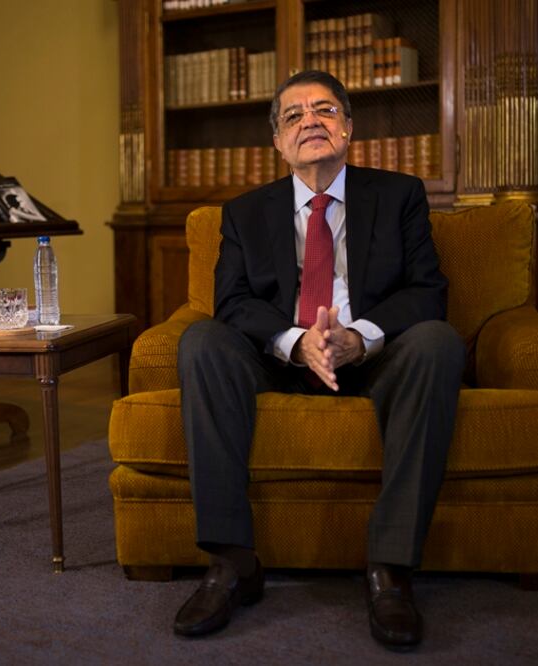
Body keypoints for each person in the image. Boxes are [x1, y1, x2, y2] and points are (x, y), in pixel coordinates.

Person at [172, 70, 466, 651]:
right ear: (278, 142)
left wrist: (358, 337)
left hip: (374, 358)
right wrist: (294, 340)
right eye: (294, 115)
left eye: (325, 110)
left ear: (348, 128)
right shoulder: (244, 213)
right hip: (278, 360)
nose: (310, 120)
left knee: (438, 341)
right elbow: (232, 302)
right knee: (201, 341)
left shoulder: (399, 195)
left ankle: (390, 569)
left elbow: (428, 291)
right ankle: (232, 563)